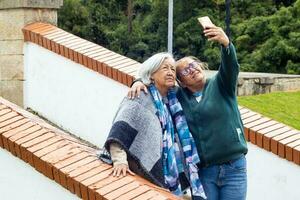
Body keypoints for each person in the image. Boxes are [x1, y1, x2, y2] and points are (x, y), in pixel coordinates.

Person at [128, 25, 248, 200]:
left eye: (193, 65)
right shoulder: (177, 97)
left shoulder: (221, 84)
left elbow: (230, 66)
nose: (191, 70)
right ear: (181, 82)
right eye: (184, 71)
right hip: (205, 172)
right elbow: (157, 83)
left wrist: (226, 44)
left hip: (234, 168)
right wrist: (138, 81)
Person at [100, 52, 206, 199]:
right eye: (165, 68)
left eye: (172, 69)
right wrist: (120, 161)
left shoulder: (172, 100)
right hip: (140, 176)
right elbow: (121, 129)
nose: (170, 72)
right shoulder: (140, 96)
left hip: (170, 176)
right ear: (151, 74)